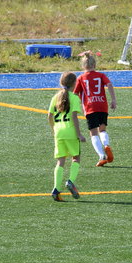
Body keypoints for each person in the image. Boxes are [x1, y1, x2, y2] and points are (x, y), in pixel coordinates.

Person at [48, 72, 87, 201]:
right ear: (74, 84)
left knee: (60, 161)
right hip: (70, 132)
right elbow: (74, 116)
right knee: (76, 157)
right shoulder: (74, 98)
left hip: (58, 133)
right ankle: (70, 181)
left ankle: (56, 189)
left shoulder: (55, 97)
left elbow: (49, 116)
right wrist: (79, 134)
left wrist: (54, 130)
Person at [74, 51, 117, 167]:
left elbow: (75, 93)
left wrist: (75, 106)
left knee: (93, 133)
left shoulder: (81, 78)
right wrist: (113, 99)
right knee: (102, 130)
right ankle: (106, 144)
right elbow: (109, 85)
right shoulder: (101, 75)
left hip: (90, 107)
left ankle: (101, 156)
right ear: (95, 64)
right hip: (102, 106)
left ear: (83, 66)